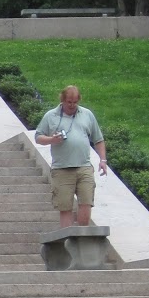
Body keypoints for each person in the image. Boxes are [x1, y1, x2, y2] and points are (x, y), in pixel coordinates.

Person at [35, 85, 108, 227]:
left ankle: (82, 235)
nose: (72, 105)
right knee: (65, 207)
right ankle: (67, 237)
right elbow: (38, 137)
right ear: (62, 100)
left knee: (86, 202)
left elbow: (98, 139)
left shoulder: (87, 114)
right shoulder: (51, 116)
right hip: (62, 168)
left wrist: (103, 160)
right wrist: (51, 140)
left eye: (75, 102)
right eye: (69, 102)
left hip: (84, 167)